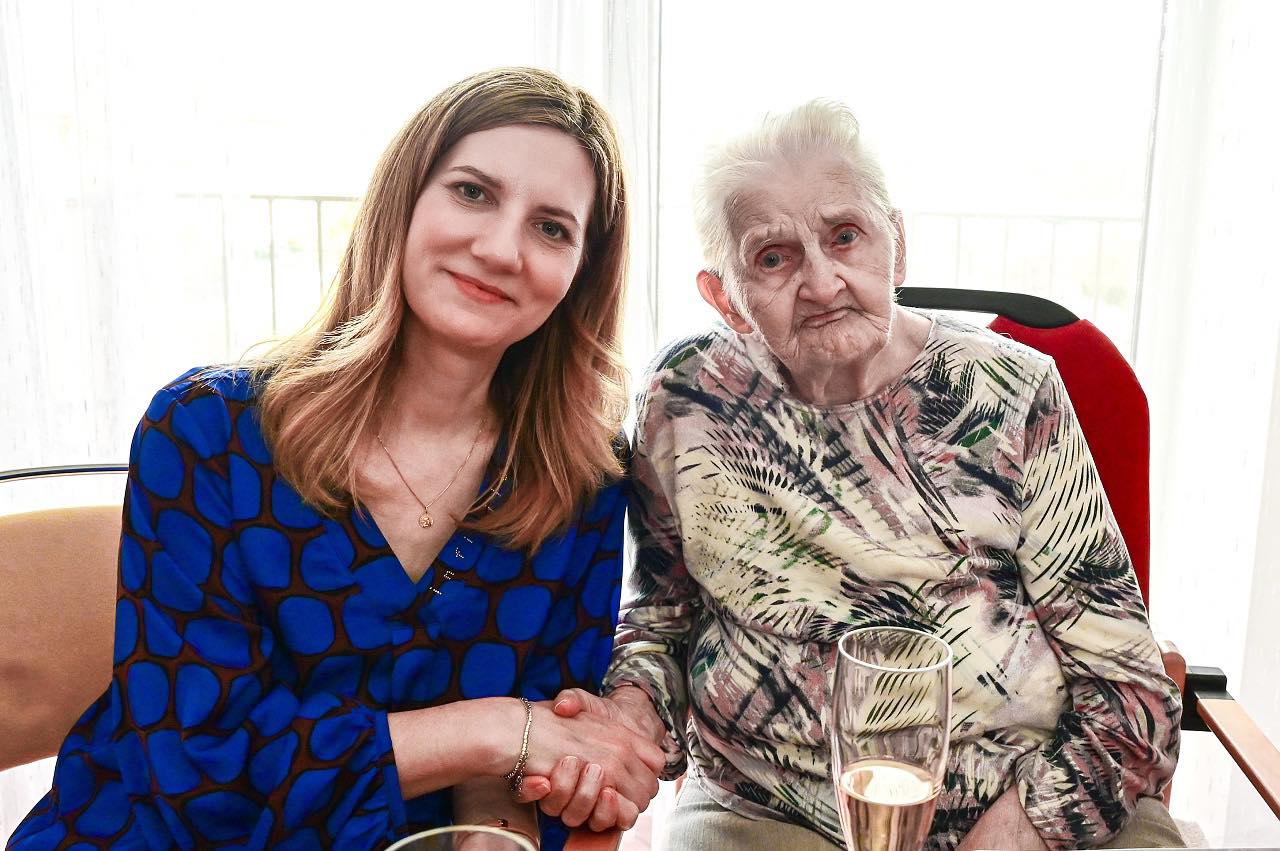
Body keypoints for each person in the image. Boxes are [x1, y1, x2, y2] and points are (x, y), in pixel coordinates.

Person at [7, 67, 663, 851]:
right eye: (472, 192)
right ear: (404, 201)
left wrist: (496, 830)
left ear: (583, 272)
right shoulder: (204, 432)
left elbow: (537, 753)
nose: (500, 249)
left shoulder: (582, 478)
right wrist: (496, 726)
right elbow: (200, 769)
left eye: (552, 228)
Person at [547, 100, 1183, 850]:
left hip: (1030, 798)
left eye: (845, 236)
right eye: (773, 257)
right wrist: (628, 717)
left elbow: (1131, 691)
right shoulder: (687, 395)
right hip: (768, 806)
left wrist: (1016, 832)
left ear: (897, 247)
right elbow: (663, 617)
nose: (823, 283)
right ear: (725, 297)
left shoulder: (1011, 394)